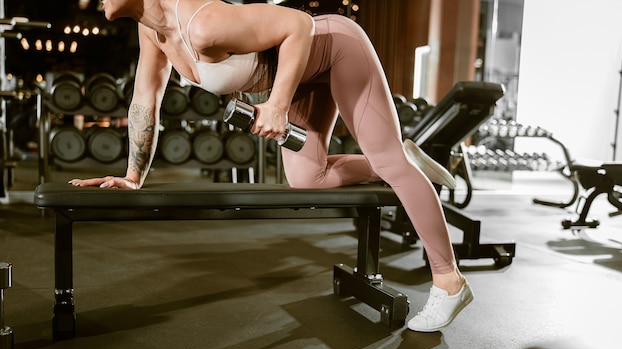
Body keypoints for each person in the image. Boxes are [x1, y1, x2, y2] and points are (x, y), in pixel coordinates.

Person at [70, 0, 473, 332]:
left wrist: (278, 105)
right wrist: (133, 176)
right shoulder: (152, 33)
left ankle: (449, 280)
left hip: (335, 46)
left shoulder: (202, 22)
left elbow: (299, 25)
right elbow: (145, 101)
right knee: (307, 179)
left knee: (388, 162)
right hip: (300, 73)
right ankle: (402, 162)